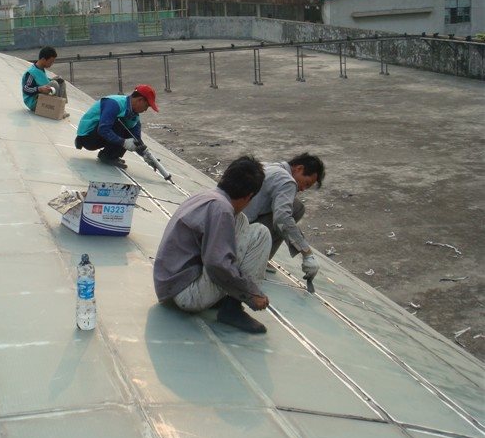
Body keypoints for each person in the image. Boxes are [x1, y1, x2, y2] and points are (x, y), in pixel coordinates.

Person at [153, 156, 273, 334]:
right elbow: (217, 264)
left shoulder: (207, 196)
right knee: (261, 234)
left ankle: (224, 299)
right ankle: (232, 308)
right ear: (249, 196)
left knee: (241, 220)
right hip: (186, 294)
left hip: (169, 286)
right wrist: (251, 293)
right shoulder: (222, 210)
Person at [242, 152, 325, 286]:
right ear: (299, 169)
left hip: (232, 221)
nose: (303, 189)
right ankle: (257, 259)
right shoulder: (287, 181)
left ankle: (260, 257)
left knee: (293, 204)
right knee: (295, 209)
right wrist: (307, 253)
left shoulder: (270, 166)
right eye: (307, 183)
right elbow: (282, 220)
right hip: (239, 231)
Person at [74, 84, 158, 169]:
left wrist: (146, 156)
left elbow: (136, 140)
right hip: (88, 137)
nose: (145, 110)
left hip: (100, 136)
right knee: (120, 123)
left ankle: (112, 155)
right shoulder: (114, 103)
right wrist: (124, 142)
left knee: (128, 131)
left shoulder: (134, 116)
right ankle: (107, 156)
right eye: (146, 106)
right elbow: (103, 129)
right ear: (140, 100)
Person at [21, 46, 67, 112]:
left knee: (60, 81)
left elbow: (43, 81)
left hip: (41, 98)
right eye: (51, 62)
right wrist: (39, 89)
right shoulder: (31, 73)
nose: (52, 64)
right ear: (43, 59)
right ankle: (56, 109)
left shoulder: (41, 70)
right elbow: (26, 89)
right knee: (54, 84)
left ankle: (61, 107)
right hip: (34, 102)